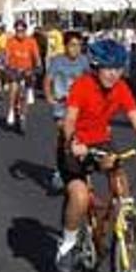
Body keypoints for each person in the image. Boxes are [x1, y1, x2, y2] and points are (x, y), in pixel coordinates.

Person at [54, 39, 136, 272]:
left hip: (102, 141)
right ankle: (68, 244)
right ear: (95, 67)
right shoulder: (82, 86)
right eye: (108, 68)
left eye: (118, 68)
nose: (114, 74)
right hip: (76, 144)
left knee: (122, 186)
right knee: (80, 196)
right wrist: (74, 142)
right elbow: (70, 120)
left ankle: (128, 235)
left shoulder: (121, 88)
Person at [43, 31, 90, 193]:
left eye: (79, 46)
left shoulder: (84, 61)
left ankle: (79, 169)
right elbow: (48, 80)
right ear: (65, 46)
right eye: (72, 45)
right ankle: (59, 171)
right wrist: (49, 97)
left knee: (82, 137)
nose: (76, 49)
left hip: (80, 106)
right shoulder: (57, 61)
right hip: (62, 106)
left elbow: (91, 80)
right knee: (63, 136)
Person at [4, 19, 41, 127]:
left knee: (28, 85)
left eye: (22, 30)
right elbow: (6, 55)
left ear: (25, 30)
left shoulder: (31, 41)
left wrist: (38, 64)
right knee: (14, 88)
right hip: (14, 70)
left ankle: (24, 113)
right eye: (18, 30)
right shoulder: (10, 41)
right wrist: (7, 65)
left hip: (27, 70)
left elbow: (36, 56)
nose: (20, 33)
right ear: (15, 30)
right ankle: (11, 110)